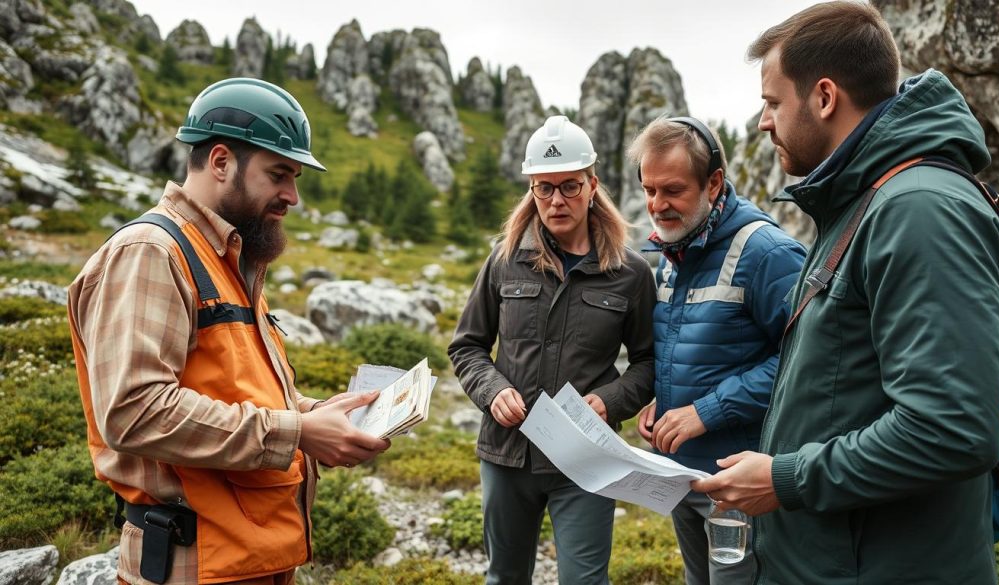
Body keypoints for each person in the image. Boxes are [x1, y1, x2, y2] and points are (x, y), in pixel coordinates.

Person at [689, 2, 999, 583]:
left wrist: (785, 478)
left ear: (823, 97)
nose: (763, 121)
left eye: (772, 102)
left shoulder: (918, 210)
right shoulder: (863, 202)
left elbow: (952, 428)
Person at [68, 78, 390, 585]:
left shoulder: (226, 257)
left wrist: (312, 414)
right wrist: (300, 433)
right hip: (192, 564)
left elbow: (226, 385)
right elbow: (133, 412)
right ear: (221, 162)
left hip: (246, 558)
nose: (293, 196)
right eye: (280, 174)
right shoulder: (151, 252)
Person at [448, 115, 656, 585]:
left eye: (569, 186)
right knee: (504, 577)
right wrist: (492, 390)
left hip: (586, 458)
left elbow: (648, 363)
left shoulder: (630, 273)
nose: (556, 200)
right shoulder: (504, 260)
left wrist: (611, 401)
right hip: (507, 455)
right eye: (544, 188)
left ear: (592, 185)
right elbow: (467, 346)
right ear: (531, 189)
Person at [627, 116, 805, 585]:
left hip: (740, 484)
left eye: (672, 190)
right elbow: (697, 351)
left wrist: (704, 411)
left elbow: (805, 363)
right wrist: (662, 402)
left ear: (714, 183)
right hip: (682, 476)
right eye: (649, 190)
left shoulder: (768, 253)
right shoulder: (672, 255)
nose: (657, 206)